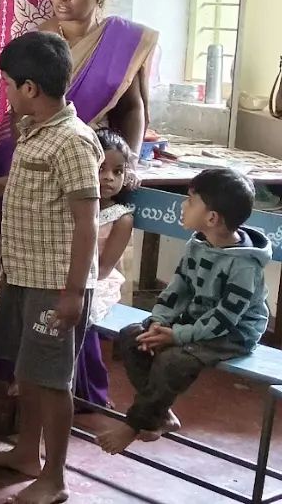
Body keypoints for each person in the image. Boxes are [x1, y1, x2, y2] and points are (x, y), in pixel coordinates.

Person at [0, 0, 158, 382]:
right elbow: (20, 107)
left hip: (89, 157)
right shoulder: (41, 39)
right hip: (38, 151)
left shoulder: (124, 42)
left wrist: (128, 161)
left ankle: (70, 370)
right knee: (29, 258)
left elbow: (132, 108)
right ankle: (15, 359)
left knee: (71, 258)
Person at [0, 31, 101, 504]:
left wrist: (72, 293)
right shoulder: (37, 131)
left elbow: (87, 222)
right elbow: (23, 181)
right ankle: (25, 454)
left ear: (30, 88)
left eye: (9, 84)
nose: (6, 92)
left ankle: (55, 478)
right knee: (28, 373)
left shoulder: (73, 142)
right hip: (22, 275)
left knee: (52, 381)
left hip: (55, 285)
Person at [98, 168, 272, 455]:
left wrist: (177, 335)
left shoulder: (244, 266)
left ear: (211, 218)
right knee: (133, 337)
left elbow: (225, 318)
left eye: (190, 201)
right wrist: (159, 321)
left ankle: (134, 424)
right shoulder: (198, 244)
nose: (182, 205)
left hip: (233, 332)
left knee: (173, 360)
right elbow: (179, 289)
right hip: (197, 319)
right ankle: (162, 414)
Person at [74, 129, 136, 409]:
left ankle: (85, 389)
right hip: (66, 271)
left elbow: (103, 270)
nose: (109, 177)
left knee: (77, 311)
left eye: (118, 171)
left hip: (98, 281)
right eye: (101, 169)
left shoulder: (121, 219)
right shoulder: (71, 205)